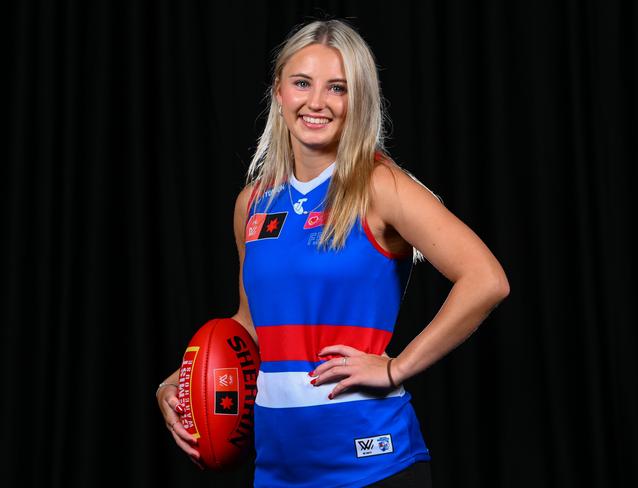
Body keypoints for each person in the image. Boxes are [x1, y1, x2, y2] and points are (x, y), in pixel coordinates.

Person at [156, 19, 509, 487]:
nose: (316, 102)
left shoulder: (379, 187)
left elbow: (486, 279)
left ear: (357, 101)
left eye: (337, 88)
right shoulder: (254, 203)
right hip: (280, 468)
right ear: (279, 93)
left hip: (372, 463)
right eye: (302, 83)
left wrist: (397, 367)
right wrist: (186, 378)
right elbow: (250, 326)